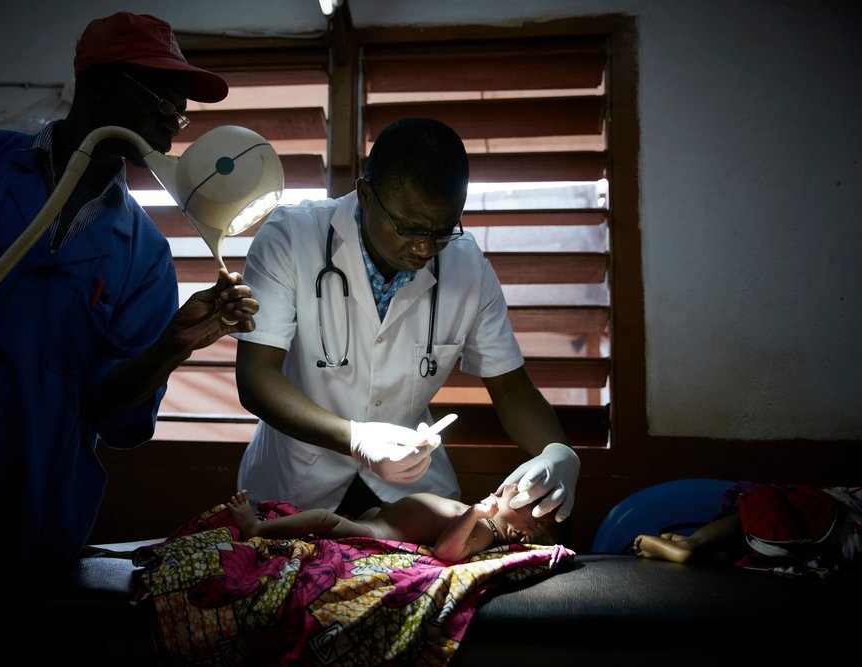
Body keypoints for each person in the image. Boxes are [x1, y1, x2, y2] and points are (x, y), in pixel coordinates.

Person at [0, 12, 258, 607]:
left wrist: (172, 345)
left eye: (179, 112)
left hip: (21, 516)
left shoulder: (144, 255)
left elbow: (116, 416)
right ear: (97, 84)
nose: (171, 127)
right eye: (160, 98)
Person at [233, 116, 579, 522]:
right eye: (409, 227)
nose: (424, 247)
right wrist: (357, 438)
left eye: (443, 230)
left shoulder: (467, 265)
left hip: (412, 491)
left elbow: (510, 388)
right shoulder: (292, 237)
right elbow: (256, 378)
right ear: (365, 195)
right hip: (295, 484)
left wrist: (558, 451)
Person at [226, 483, 559, 562]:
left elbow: (447, 551)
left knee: (324, 520)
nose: (516, 486)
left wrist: (474, 513)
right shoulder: (487, 519)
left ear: (521, 531)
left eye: (525, 499)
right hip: (381, 513)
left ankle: (257, 529)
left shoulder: (486, 528)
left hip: (378, 531)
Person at [632, 482, 862, 577]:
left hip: (817, 522)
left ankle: (691, 545)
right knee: (744, 546)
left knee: (757, 500)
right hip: (813, 552)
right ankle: (697, 549)